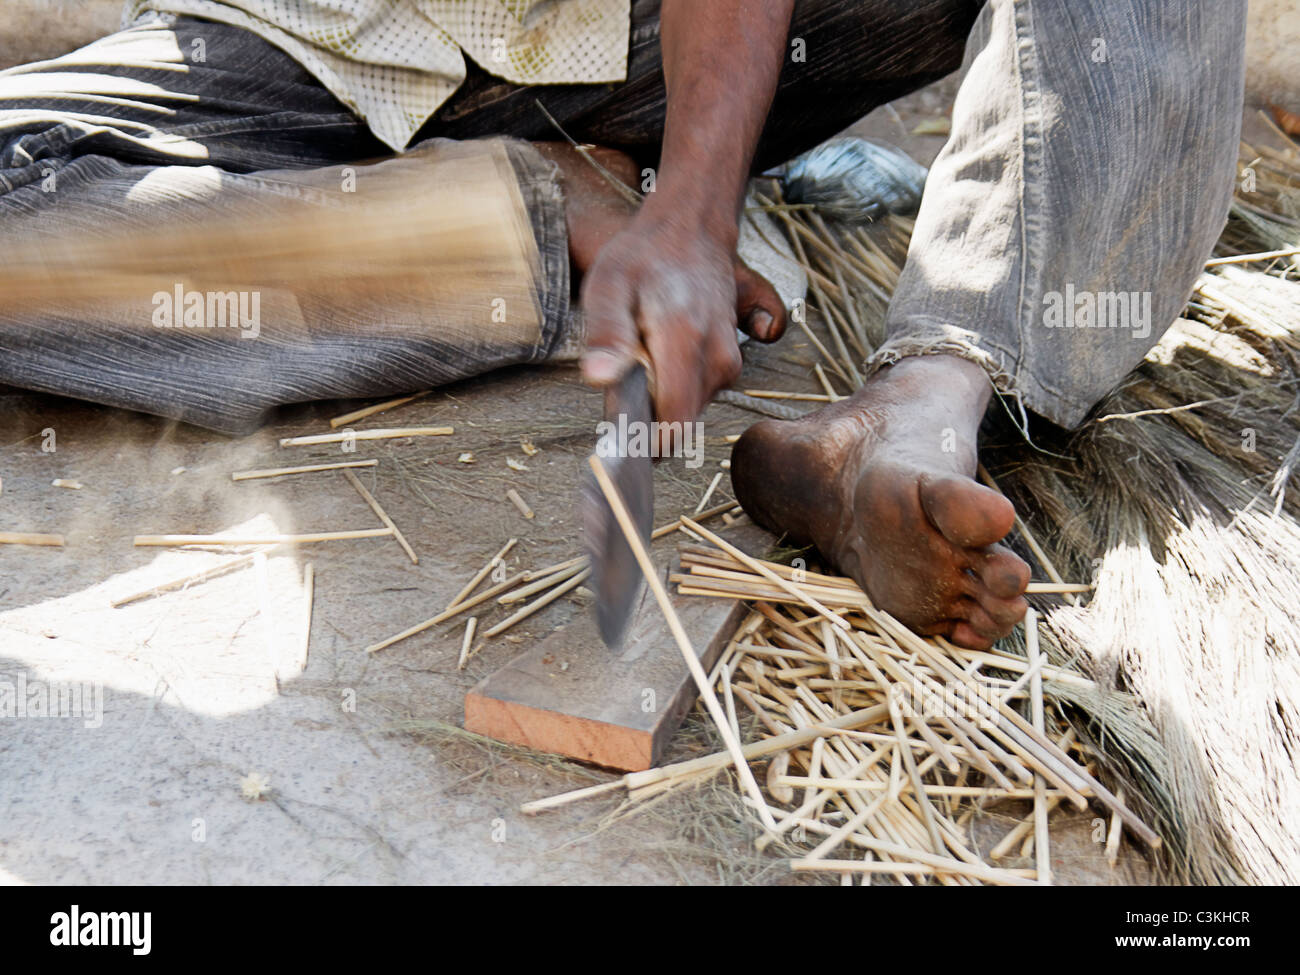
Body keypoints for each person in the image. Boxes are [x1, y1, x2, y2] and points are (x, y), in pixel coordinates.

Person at [0, 1, 1246, 649]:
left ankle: (921, 403)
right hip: (306, 43)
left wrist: (698, 209)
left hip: (641, 35)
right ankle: (542, 214)